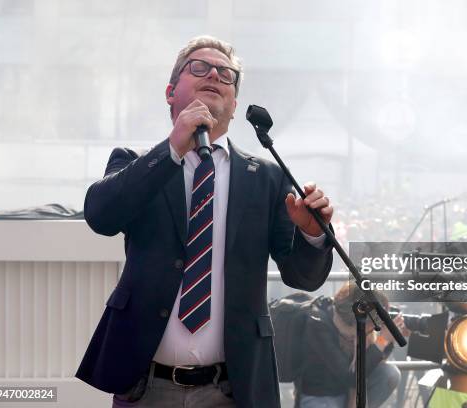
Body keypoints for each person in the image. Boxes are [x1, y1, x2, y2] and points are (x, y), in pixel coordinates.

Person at [75, 35, 334, 408]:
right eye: (198, 67)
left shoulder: (267, 178)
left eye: (226, 74)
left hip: (232, 388)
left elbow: (302, 277)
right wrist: (173, 148)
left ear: (234, 104)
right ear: (170, 92)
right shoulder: (137, 163)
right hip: (145, 385)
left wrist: (312, 234)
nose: (214, 73)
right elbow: (101, 216)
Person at [296, 282, 409, 408]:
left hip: (349, 388)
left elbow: (375, 358)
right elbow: (350, 377)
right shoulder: (318, 325)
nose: (373, 329)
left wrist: (389, 338)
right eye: (370, 327)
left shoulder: (361, 325)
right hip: (323, 394)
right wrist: (382, 340)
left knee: (389, 373)